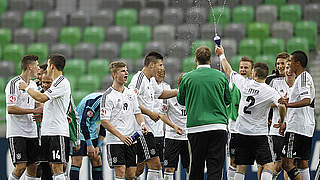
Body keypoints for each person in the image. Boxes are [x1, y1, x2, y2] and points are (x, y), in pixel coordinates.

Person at [216, 45, 286, 180]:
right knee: (269, 165)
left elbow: (228, 70)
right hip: (259, 134)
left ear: (253, 73)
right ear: (266, 75)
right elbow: (282, 105)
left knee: (241, 167)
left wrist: (221, 54)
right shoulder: (270, 91)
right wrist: (282, 120)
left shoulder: (244, 84)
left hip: (241, 132)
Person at [177, 46, 231, 180]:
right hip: (218, 127)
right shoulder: (220, 76)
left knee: (196, 167)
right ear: (210, 60)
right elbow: (228, 100)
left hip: (196, 127)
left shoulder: (187, 78)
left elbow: (181, 100)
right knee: (215, 167)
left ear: (196, 59)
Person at [19, 54, 71, 180]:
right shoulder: (54, 84)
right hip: (47, 132)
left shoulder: (62, 82)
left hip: (57, 132)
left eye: (47, 65)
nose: (46, 67)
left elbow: (41, 98)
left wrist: (26, 88)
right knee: (45, 169)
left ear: (52, 66)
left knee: (57, 168)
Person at [128, 51, 179, 179]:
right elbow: (130, 99)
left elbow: (161, 93)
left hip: (150, 130)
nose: (162, 68)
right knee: (155, 165)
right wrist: (150, 113)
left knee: (140, 168)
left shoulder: (151, 81)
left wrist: (179, 92)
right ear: (151, 65)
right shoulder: (139, 79)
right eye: (160, 65)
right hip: (141, 129)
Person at [100, 61, 148, 180]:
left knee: (131, 174)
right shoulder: (108, 96)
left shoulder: (130, 93)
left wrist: (142, 124)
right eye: (123, 71)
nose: (126, 73)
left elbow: (137, 113)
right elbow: (104, 121)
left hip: (131, 140)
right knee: (120, 171)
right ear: (115, 75)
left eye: (126, 71)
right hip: (116, 140)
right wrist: (121, 137)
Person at [277, 50, 315, 180]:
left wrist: (287, 105)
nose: (289, 64)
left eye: (291, 62)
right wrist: (285, 122)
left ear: (297, 63)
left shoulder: (303, 77)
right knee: (301, 163)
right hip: (303, 126)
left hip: (298, 127)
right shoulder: (302, 78)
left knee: (287, 163)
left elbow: (307, 100)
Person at [6, 55, 42, 180]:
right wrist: (33, 110)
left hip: (31, 132)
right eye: (37, 66)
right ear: (29, 67)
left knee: (33, 166)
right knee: (21, 166)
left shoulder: (33, 85)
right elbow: (11, 109)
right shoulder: (13, 83)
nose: (38, 69)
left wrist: (41, 112)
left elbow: (38, 104)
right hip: (17, 132)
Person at [227, 56, 253, 180]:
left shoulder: (254, 86)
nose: (243, 70)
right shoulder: (232, 83)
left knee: (244, 164)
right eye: (241, 67)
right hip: (234, 129)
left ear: (252, 71)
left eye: (246, 67)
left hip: (250, 130)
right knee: (233, 162)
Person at [70, 92, 106, 180]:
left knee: (96, 158)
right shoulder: (95, 101)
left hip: (91, 129)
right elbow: (83, 123)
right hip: (79, 129)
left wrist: (98, 146)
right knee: (77, 160)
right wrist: (89, 145)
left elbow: (104, 125)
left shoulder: (112, 106)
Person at [161, 73, 190, 180]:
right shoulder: (169, 96)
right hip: (172, 137)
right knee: (169, 168)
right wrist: (173, 126)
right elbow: (162, 114)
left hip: (189, 137)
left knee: (190, 168)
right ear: (178, 84)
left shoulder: (193, 96)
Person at [268, 58, 294, 180]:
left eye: (283, 64)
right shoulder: (274, 82)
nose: (280, 66)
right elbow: (268, 103)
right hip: (276, 128)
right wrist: (279, 102)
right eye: (278, 64)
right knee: (277, 165)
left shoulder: (297, 82)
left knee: (289, 164)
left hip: (292, 128)